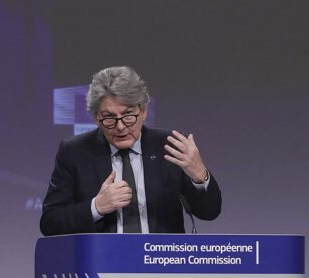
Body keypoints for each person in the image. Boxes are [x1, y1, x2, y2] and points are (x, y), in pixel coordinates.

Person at [40, 66, 221, 235]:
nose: (120, 127)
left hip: (161, 263)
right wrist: (97, 207)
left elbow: (209, 212)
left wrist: (200, 175)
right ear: (96, 118)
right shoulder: (75, 152)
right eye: (109, 117)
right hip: (102, 264)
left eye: (128, 115)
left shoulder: (169, 146)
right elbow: (50, 223)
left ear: (143, 112)